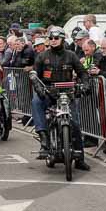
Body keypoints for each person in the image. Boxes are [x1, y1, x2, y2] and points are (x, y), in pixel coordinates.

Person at [30, 26, 91, 170]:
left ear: (62, 39)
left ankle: (80, 159)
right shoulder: (42, 56)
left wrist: (85, 85)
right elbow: (34, 75)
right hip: (48, 92)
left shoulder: (71, 55)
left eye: (56, 38)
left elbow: (82, 73)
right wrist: (38, 88)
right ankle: (44, 137)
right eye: (51, 38)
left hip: (67, 94)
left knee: (75, 123)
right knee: (36, 102)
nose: (53, 41)